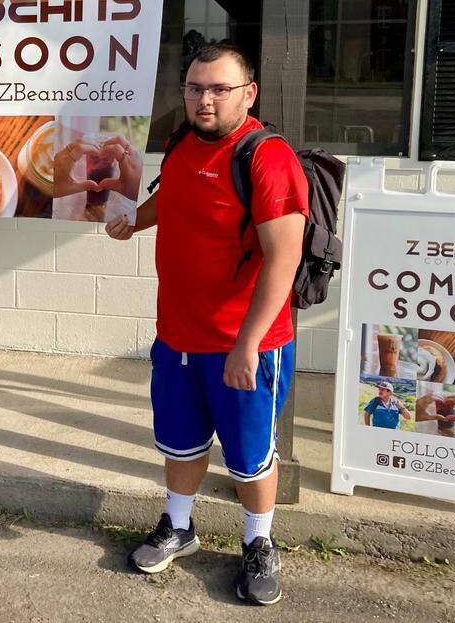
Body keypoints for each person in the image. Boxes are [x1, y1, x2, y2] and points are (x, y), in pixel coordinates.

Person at [105, 42, 307, 606]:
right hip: (178, 336)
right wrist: (133, 224)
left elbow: (283, 258)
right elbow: (172, 199)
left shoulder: (266, 158)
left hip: (246, 346)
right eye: (195, 88)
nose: (205, 99)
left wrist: (247, 345)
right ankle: (179, 526)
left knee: (249, 456)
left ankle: (259, 541)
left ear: (249, 93)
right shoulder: (181, 142)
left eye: (219, 88)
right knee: (181, 442)